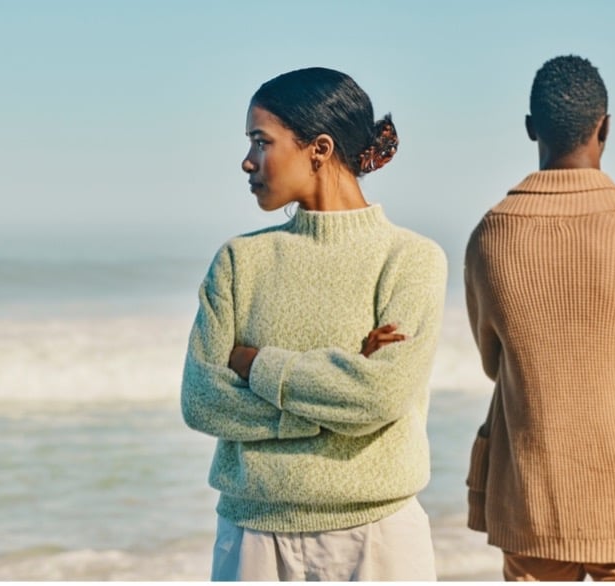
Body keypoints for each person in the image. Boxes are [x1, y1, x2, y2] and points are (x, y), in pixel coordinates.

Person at [180, 67, 447, 581]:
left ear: (318, 149)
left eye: (262, 142)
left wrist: (256, 363)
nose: (247, 160)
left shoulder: (410, 260)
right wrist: (333, 399)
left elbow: (379, 396)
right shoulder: (239, 261)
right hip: (252, 534)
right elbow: (201, 400)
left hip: (378, 537)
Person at [463, 55, 615, 581]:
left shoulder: (490, 236)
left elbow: (492, 359)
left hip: (531, 498)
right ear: (606, 126)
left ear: (530, 129)